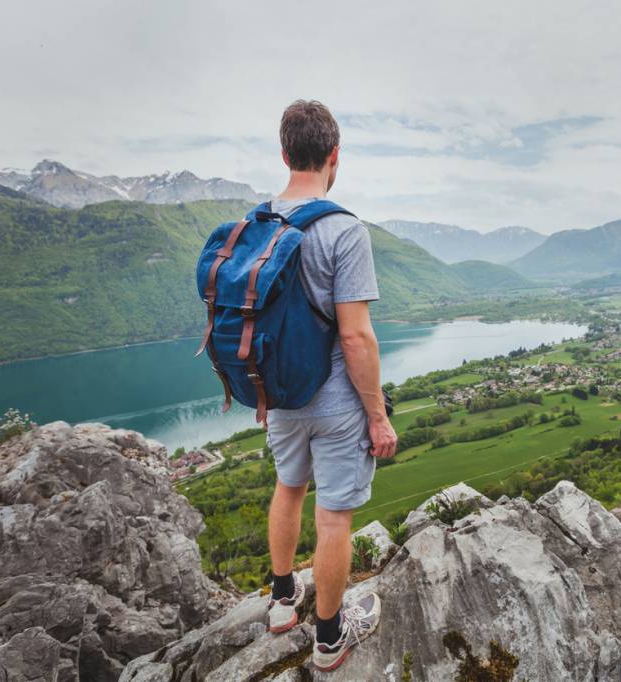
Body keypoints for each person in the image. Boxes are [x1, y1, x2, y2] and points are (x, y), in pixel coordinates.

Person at [263, 100, 398, 672]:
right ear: (334, 156)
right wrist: (377, 414)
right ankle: (328, 637)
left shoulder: (257, 225)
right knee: (334, 516)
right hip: (337, 401)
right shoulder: (344, 230)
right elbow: (356, 339)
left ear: (285, 152)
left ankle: (280, 599)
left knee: (289, 486)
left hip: (279, 395)